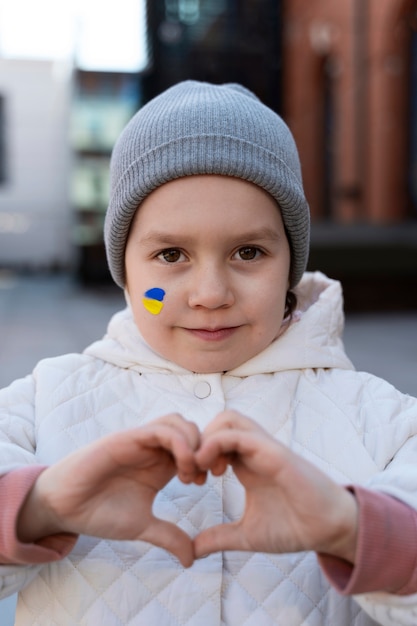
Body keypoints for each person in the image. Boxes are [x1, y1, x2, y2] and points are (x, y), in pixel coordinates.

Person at [1, 81, 417, 626]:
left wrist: (353, 528)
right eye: (171, 254)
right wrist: (38, 507)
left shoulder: (381, 420)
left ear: (290, 264)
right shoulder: (41, 404)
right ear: (124, 272)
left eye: (249, 252)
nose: (210, 294)